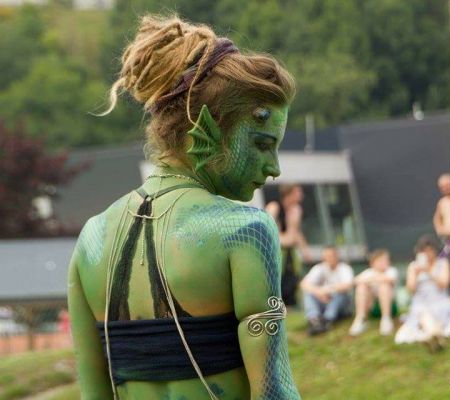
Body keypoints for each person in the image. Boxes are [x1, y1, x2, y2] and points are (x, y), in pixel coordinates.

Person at [67, 15, 301, 400]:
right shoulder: (244, 231)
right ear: (207, 127)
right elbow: (274, 392)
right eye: (261, 144)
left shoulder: (91, 239)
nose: (275, 168)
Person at [394, 236, 450, 350]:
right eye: (423, 251)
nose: (427, 254)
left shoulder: (443, 263)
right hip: (421, 301)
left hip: (439, 299)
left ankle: (431, 336)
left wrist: (428, 272)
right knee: (423, 313)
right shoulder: (413, 266)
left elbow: (444, 284)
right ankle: (436, 336)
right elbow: (410, 290)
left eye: (429, 250)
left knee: (439, 314)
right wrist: (416, 275)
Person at [266, 185, 311, 307]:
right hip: (275, 250)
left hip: (289, 250)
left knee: (292, 278)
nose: (301, 196)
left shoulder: (295, 210)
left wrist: (305, 250)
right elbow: (269, 231)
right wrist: (287, 238)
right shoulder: (274, 207)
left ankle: (289, 306)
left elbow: (295, 233)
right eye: (298, 192)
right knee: (276, 279)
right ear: (289, 194)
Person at [300, 246, 353, 335]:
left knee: (340, 294)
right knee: (309, 294)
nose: (329, 258)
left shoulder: (344, 268)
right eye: (327, 256)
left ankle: (327, 320)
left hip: (341, 306)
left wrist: (326, 290)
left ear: (337, 256)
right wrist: (318, 293)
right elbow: (304, 284)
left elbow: (347, 286)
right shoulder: (319, 268)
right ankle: (315, 320)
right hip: (323, 300)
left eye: (331, 255)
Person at [349, 249, 399, 336]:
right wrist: (369, 280)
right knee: (361, 287)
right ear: (373, 263)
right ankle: (360, 319)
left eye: (386, 260)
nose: (384, 263)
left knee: (384, 285)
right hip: (372, 307)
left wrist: (372, 279)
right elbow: (355, 281)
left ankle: (386, 319)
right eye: (381, 260)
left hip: (391, 308)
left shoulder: (391, 270)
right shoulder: (369, 272)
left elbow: (390, 279)